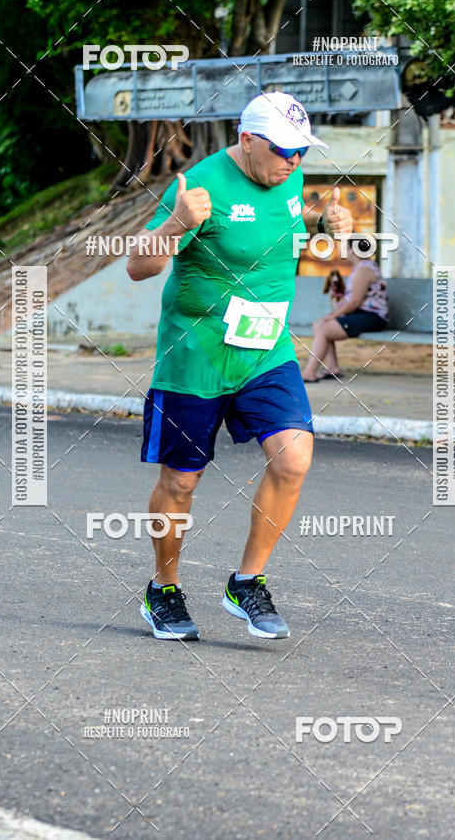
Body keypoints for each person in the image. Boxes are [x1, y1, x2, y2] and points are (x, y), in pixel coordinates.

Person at [126, 91, 352, 641]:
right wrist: (177, 225)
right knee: (180, 483)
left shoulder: (289, 179)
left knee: (294, 457)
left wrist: (324, 219)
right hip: (196, 356)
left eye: (302, 152)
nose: (294, 162)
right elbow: (137, 266)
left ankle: (246, 582)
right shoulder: (201, 188)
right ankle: (164, 590)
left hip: (265, 351)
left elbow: (290, 218)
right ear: (247, 140)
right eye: (284, 151)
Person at [301, 237, 388, 382]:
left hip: (372, 317)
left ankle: (309, 372)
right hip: (363, 314)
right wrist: (335, 311)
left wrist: (335, 315)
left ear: (353, 250)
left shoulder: (364, 270)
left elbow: (355, 302)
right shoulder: (362, 268)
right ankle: (333, 368)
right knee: (319, 325)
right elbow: (350, 298)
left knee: (324, 328)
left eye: (346, 249)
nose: (345, 252)